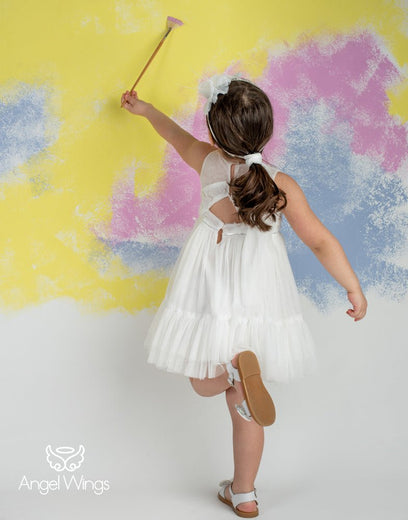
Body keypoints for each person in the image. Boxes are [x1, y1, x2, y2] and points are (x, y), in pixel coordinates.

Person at [120, 73, 367, 517]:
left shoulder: (207, 160)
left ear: (215, 133)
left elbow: (174, 135)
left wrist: (145, 109)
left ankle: (233, 372)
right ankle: (245, 494)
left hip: (211, 284)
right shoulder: (280, 183)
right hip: (258, 291)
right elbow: (319, 241)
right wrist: (352, 286)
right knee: (243, 407)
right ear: (266, 130)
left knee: (203, 381)